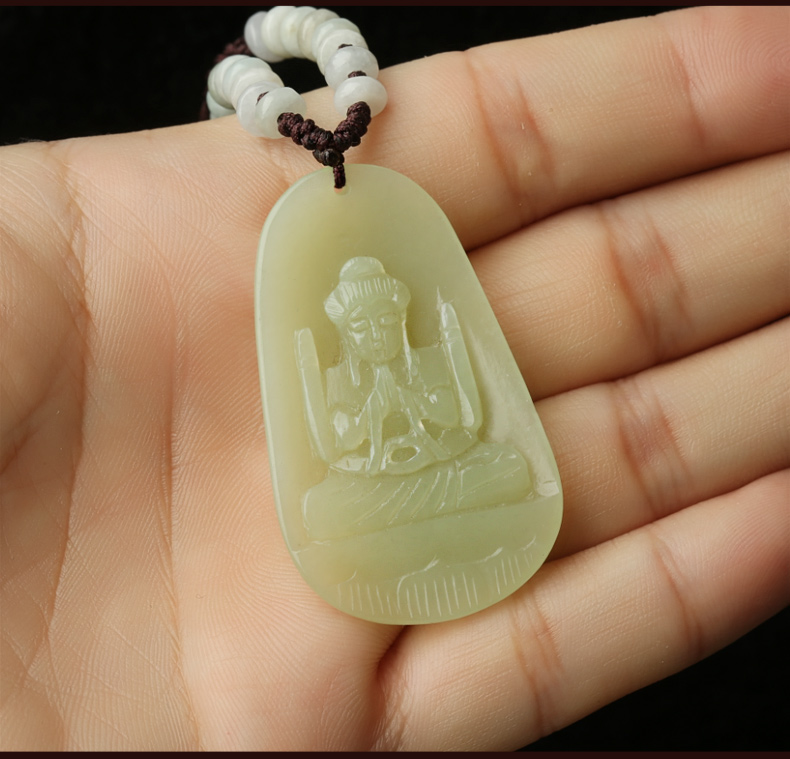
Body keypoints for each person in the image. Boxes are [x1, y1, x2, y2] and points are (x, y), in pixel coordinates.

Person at [1, 6, 787, 751]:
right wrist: (368, 422)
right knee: (328, 504)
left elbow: (465, 422)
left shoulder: (419, 355)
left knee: (502, 464)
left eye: (386, 322)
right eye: (367, 327)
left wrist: (429, 410)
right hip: (377, 489)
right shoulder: (342, 372)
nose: (378, 335)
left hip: (438, 474)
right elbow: (337, 447)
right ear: (351, 327)